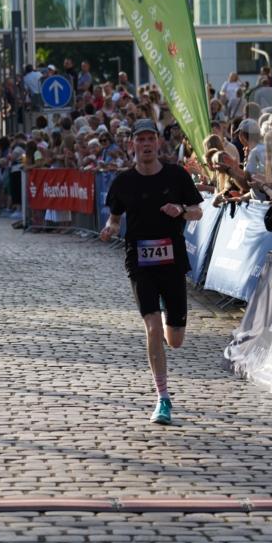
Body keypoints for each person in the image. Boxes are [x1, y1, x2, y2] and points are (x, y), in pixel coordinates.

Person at [100, 118, 203, 426]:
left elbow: (198, 210)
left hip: (172, 263)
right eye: (140, 139)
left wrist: (182, 210)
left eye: (150, 139)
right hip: (139, 261)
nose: (145, 144)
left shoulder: (176, 175)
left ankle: (168, 324)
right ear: (133, 144)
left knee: (176, 340)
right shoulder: (123, 182)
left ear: (158, 142)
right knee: (152, 327)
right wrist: (109, 228)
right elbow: (115, 220)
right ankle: (163, 397)